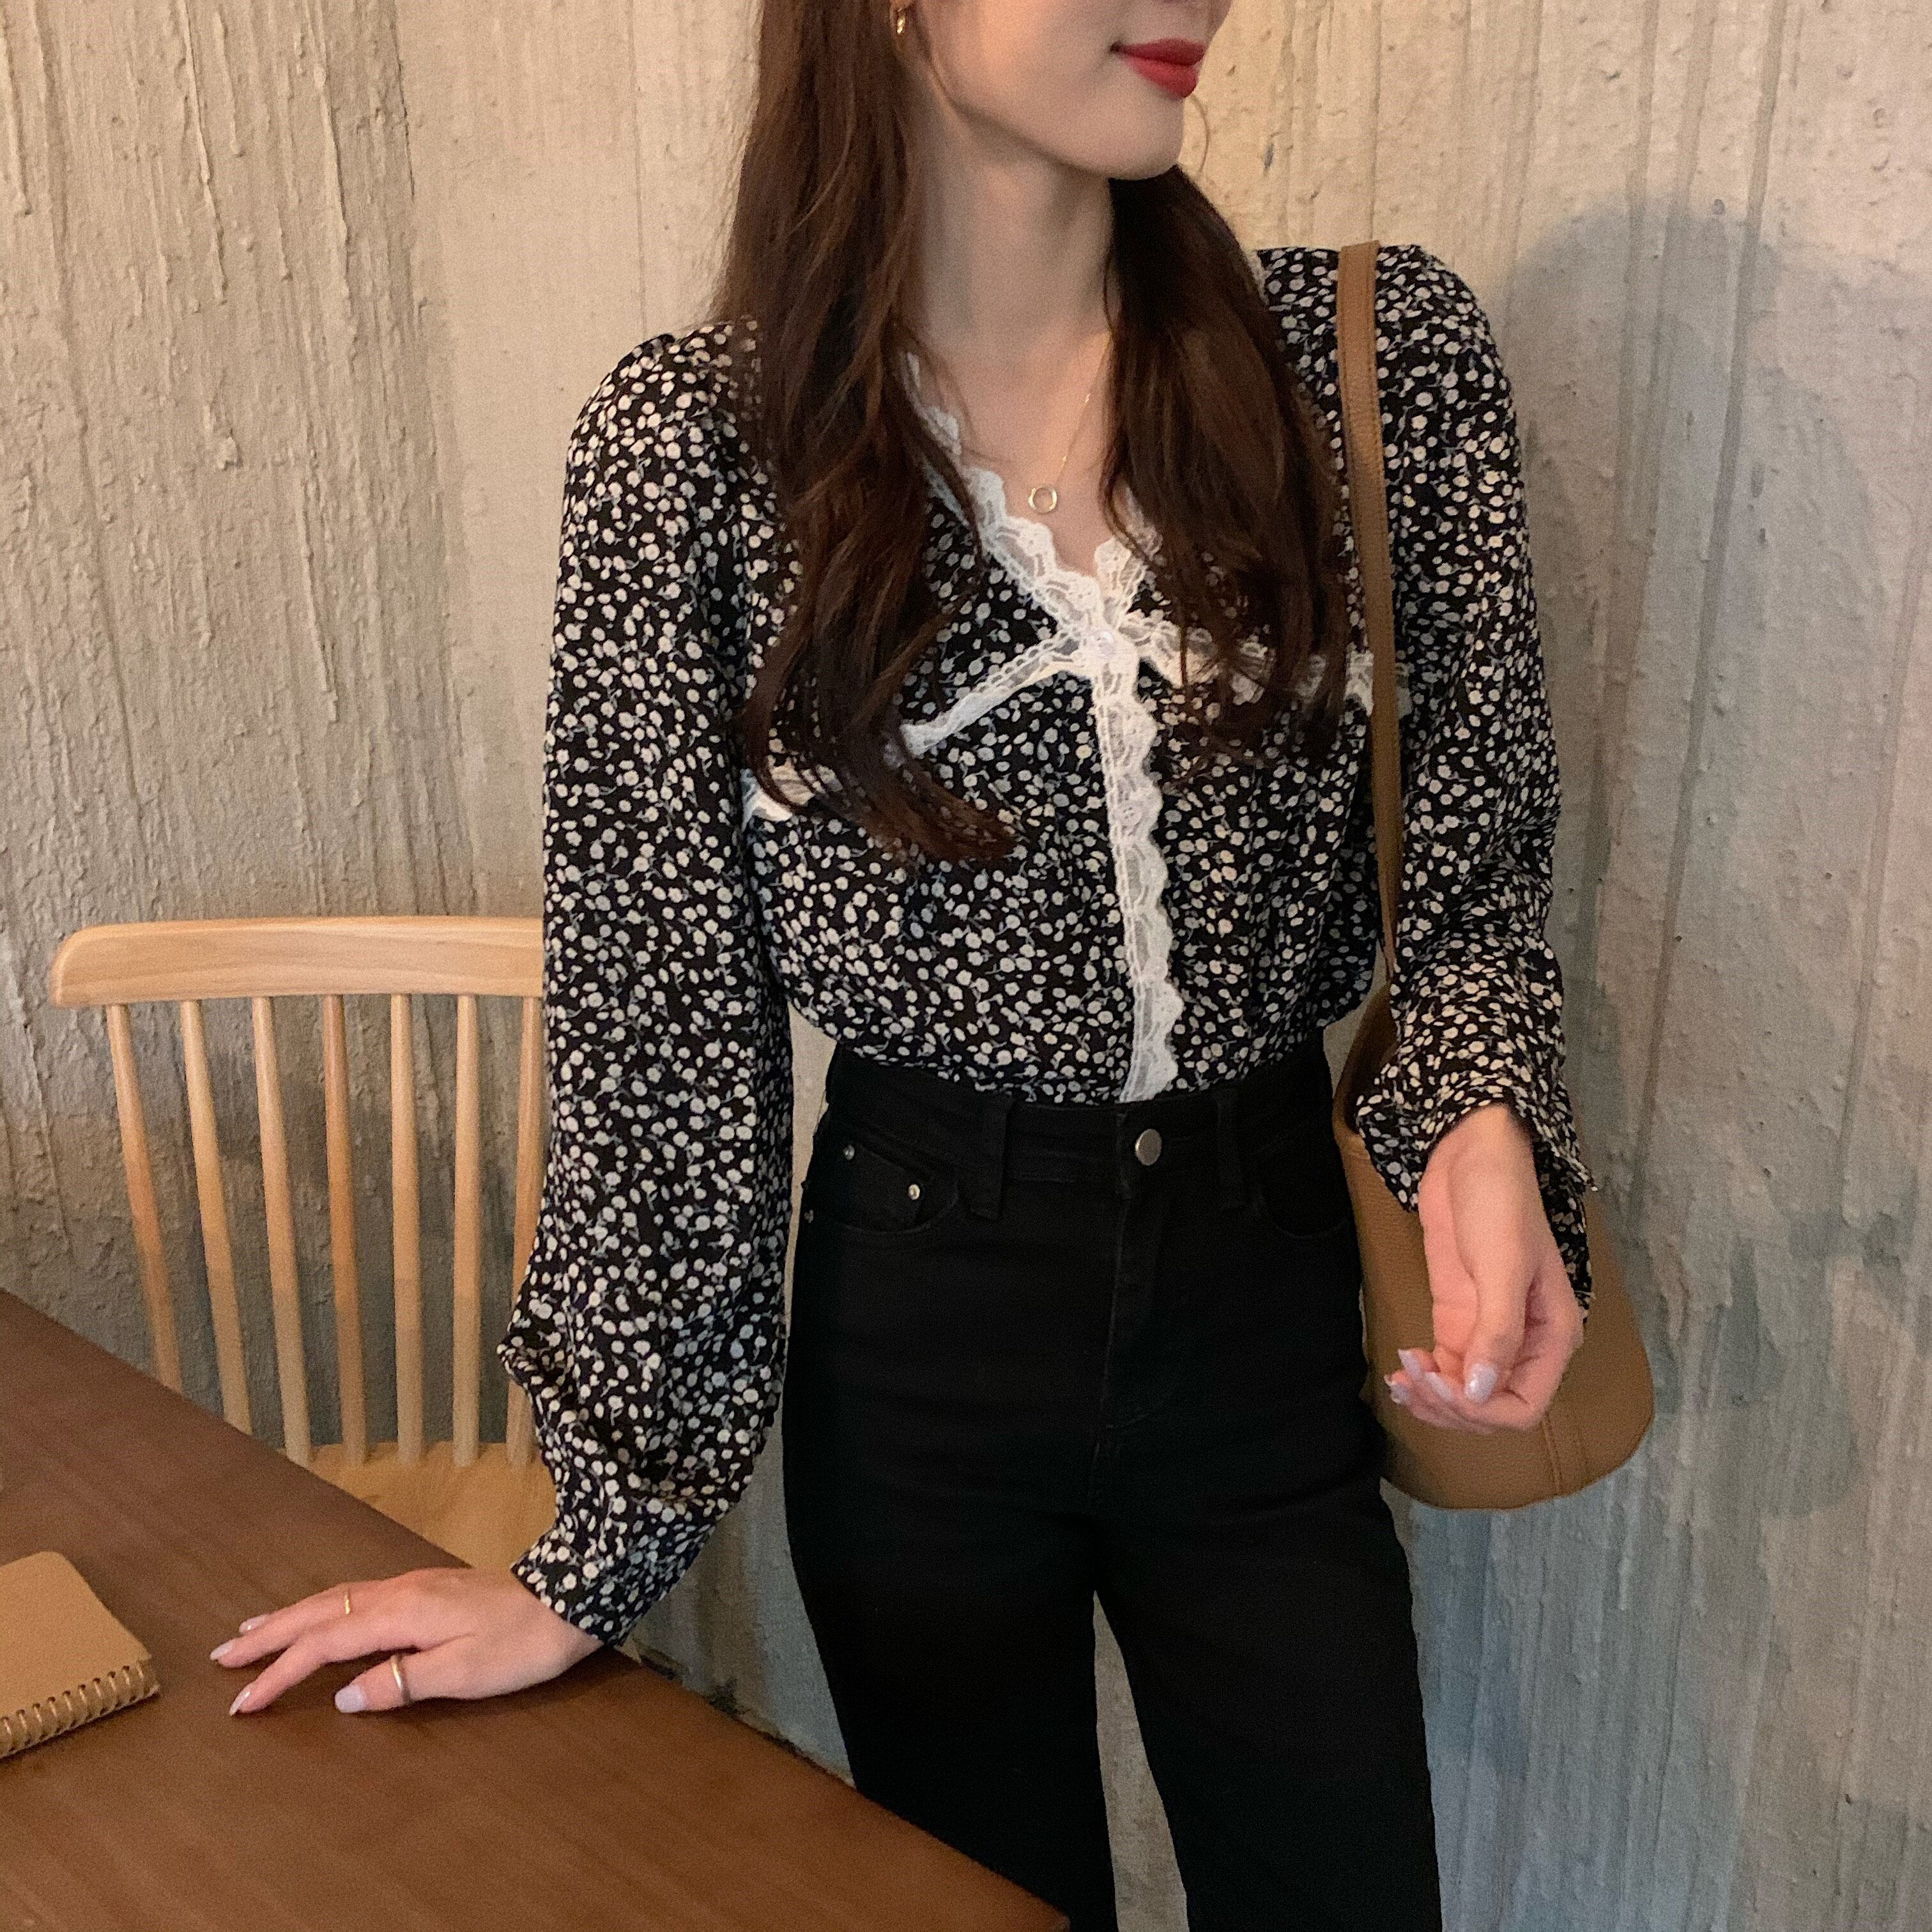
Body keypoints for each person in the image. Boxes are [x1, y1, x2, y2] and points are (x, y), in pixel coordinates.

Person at [211, 3, 1596, 1926]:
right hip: (925, 1323)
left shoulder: (1372, 361)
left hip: (1268, 1297)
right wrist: (589, 1548)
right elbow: (657, 1024)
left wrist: (1479, 1120)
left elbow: (1477, 855)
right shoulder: (697, 453)